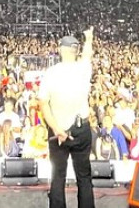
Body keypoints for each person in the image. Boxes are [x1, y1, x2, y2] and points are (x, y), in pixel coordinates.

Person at [38, 27, 95, 208]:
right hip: (81, 128)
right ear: (76, 50)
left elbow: (43, 104)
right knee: (84, 177)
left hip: (58, 130)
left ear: (61, 49)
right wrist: (89, 37)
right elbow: (88, 54)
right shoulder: (84, 69)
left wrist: (56, 129)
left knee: (58, 176)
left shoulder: (51, 73)